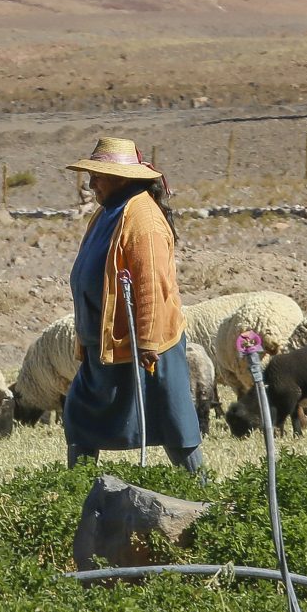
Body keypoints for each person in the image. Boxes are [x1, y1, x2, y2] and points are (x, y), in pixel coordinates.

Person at [61, 137, 203, 472]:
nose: (91, 184)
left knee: (173, 421)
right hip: (107, 344)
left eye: (98, 176)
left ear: (120, 178)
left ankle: (200, 489)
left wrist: (148, 341)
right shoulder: (107, 213)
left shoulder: (143, 219)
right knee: (80, 418)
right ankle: (76, 489)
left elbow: (152, 282)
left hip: (143, 346)